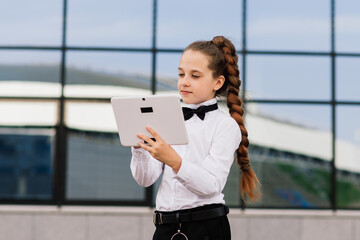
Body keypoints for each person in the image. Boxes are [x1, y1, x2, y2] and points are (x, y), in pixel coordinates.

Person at [130, 36, 260, 240]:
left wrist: (173, 160)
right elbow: (145, 179)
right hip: (165, 229)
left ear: (218, 82)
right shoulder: (167, 120)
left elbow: (211, 185)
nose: (184, 82)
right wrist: (138, 149)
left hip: (205, 228)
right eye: (181, 74)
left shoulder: (225, 126)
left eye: (195, 75)